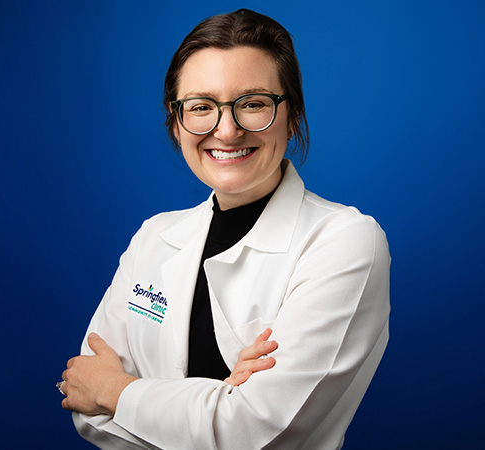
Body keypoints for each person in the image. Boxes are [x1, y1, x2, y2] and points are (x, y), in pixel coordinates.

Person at [58, 8, 390, 450]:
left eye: (253, 104)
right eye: (201, 107)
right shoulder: (153, 237)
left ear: (292, 117)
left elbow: (256, 433)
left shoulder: (345, 240)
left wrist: (115, 390)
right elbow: (85, 406)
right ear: (177, 124)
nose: (227, 130)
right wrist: (221, 398)